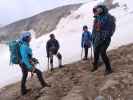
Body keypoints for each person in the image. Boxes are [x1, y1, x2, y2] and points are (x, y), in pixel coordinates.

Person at [91, 5, 116, 75]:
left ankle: (109, 69)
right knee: (96, 52)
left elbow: (111, 28)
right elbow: (95, 29)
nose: (97, 11)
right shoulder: (97, 18)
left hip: (106, 39)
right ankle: (95, 66)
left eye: (98, 9)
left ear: (102, 9)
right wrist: (94, 36)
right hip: (99, 38)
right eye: (96, 10)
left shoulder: (108, 17)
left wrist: (107, 35)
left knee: (102, 52)